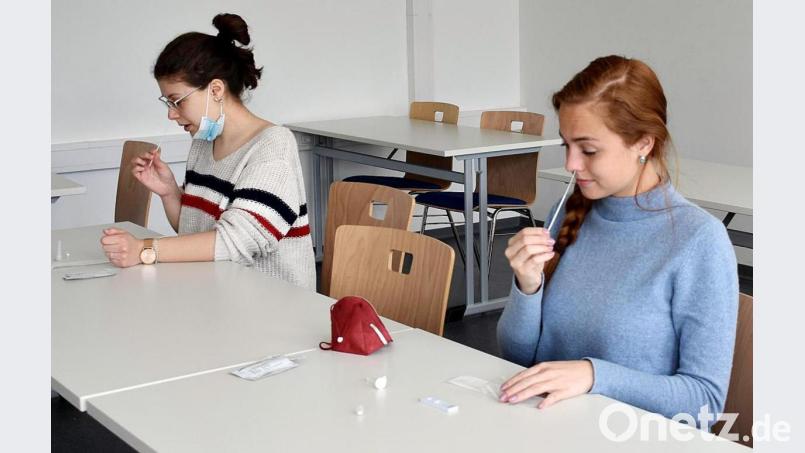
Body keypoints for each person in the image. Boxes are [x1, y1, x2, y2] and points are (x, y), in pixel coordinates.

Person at [496, 55, 738, 429]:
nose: (571, 164)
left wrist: (594, 376)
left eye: (589, 150)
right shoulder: (570, 213)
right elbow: (517, 357)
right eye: (566, 145)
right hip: (552, 429)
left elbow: (704, 403)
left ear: (643, 142)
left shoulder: (700, 241)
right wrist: (527, 288)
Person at [100, 13, 315, 290]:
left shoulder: (273, 146)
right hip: (218, 297)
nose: (171, 114)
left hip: (273, 308)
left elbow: (235, 243)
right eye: (167, 102)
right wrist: (170, 193)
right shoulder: (203, 143)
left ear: (215, 89)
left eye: (177, 101)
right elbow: (196, 235)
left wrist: (145, 249)